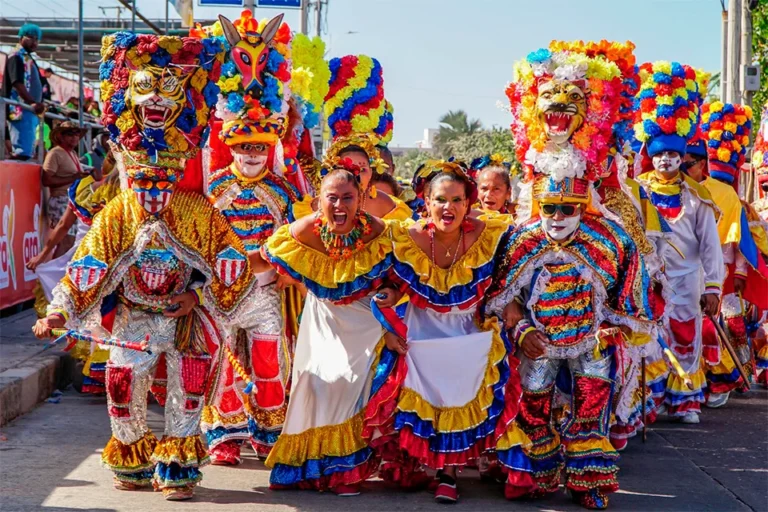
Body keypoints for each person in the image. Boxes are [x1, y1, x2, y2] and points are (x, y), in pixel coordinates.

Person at [31, 30, 255, 502]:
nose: (153, 194)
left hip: (188, 318)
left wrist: (195, 297)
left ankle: (177, 466)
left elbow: (233, 265)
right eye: (145, 184)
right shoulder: (119, 212)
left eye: (163, 184)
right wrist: (58, 313)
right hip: (134, 314)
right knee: (120, 380)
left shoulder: (198, 212)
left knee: (190, 383)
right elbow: (88, 264)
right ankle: (131, 457)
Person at [489, 44, 658, 510]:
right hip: (538, 338)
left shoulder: (609, 239)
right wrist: (522, 331)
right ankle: (537, 475)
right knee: (535, 407)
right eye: (551, 208)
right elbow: (503, 294)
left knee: (590, 412)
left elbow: (631, 295)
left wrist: (615, 328)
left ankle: (590, 482)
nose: (559, 217)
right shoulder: (522, 237)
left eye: (569, 208)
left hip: (591, 339)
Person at [367, 160, 527, 504]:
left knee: (464, 385)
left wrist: (512, 301)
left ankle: (448, 473)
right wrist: (386, 297)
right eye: (440, 199)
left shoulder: (490, 235)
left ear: (468, 204)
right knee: (415, 383)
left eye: (456, 200)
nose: (448, 208)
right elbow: (396, 285)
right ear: (426, 202)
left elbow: (506, 277)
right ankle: (423, 464)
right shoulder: (406, 238)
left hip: (467, 329)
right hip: (421, 329)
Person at [201, 11, 301, 464]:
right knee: (220, 361)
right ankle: (223, 435)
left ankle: (268, 428)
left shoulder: (283, 188)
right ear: (232, 146)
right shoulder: (214, 186)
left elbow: (296, 235)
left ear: (270, 148)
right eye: (243, 147)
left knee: (268, 360)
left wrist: (282, 271)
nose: (251, 154)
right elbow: (200, 234)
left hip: (265, 289)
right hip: (218, 289)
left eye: (259, 147)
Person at [260, 158, 392, 496]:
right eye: (331, 197)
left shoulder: (379, 231)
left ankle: (343, 472)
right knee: (313, 387)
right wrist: (215, 270)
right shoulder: (304, 229)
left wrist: (391, 297)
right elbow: (264, 257)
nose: (338, 205)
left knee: (351, 391)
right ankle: (305, 468)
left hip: (364, 322)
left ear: (360, 199)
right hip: (321, 322)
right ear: (319, 200)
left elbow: (400, 277)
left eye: (347, 197)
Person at [635, 62, 724, 425]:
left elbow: (711, 245)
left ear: (682, 157)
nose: (666, 160)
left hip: (687, 276)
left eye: (673, 155)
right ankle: (650, 399)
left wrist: (713, 285)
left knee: (686, 333)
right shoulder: (637, 192)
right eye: (659, 155)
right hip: (649, 277)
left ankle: (685, 398)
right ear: (651, 156)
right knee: (650, 335)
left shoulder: (697, 196)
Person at [694, 101, 768, 405]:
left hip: (722, 272)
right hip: (696, 269)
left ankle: (736, 374)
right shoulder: (694, 191)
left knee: (732, 324)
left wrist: (738, 273)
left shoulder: (736, 201)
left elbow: (739, 243)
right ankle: (708, 377)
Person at [42, 120, 91, 258]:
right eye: (70, 134)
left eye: (76, 134)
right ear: (61, 137)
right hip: (60, 199)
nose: (74, 137)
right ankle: (53, 277)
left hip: (71, 200)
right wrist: (74, 177)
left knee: (69, 242)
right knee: (65, 241)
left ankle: (57, 275)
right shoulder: (55, 153)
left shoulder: (72, 153)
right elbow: (46, 180)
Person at [2, 23, 45, 160]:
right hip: (20, 109)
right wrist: (32, 102)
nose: (34, 42)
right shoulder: (16, 56)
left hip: (28, 109)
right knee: (22, 150)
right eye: (31, 38)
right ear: (21, 38)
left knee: (27, 146)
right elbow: (17, 83)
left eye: (37, 39)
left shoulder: (26, 57)